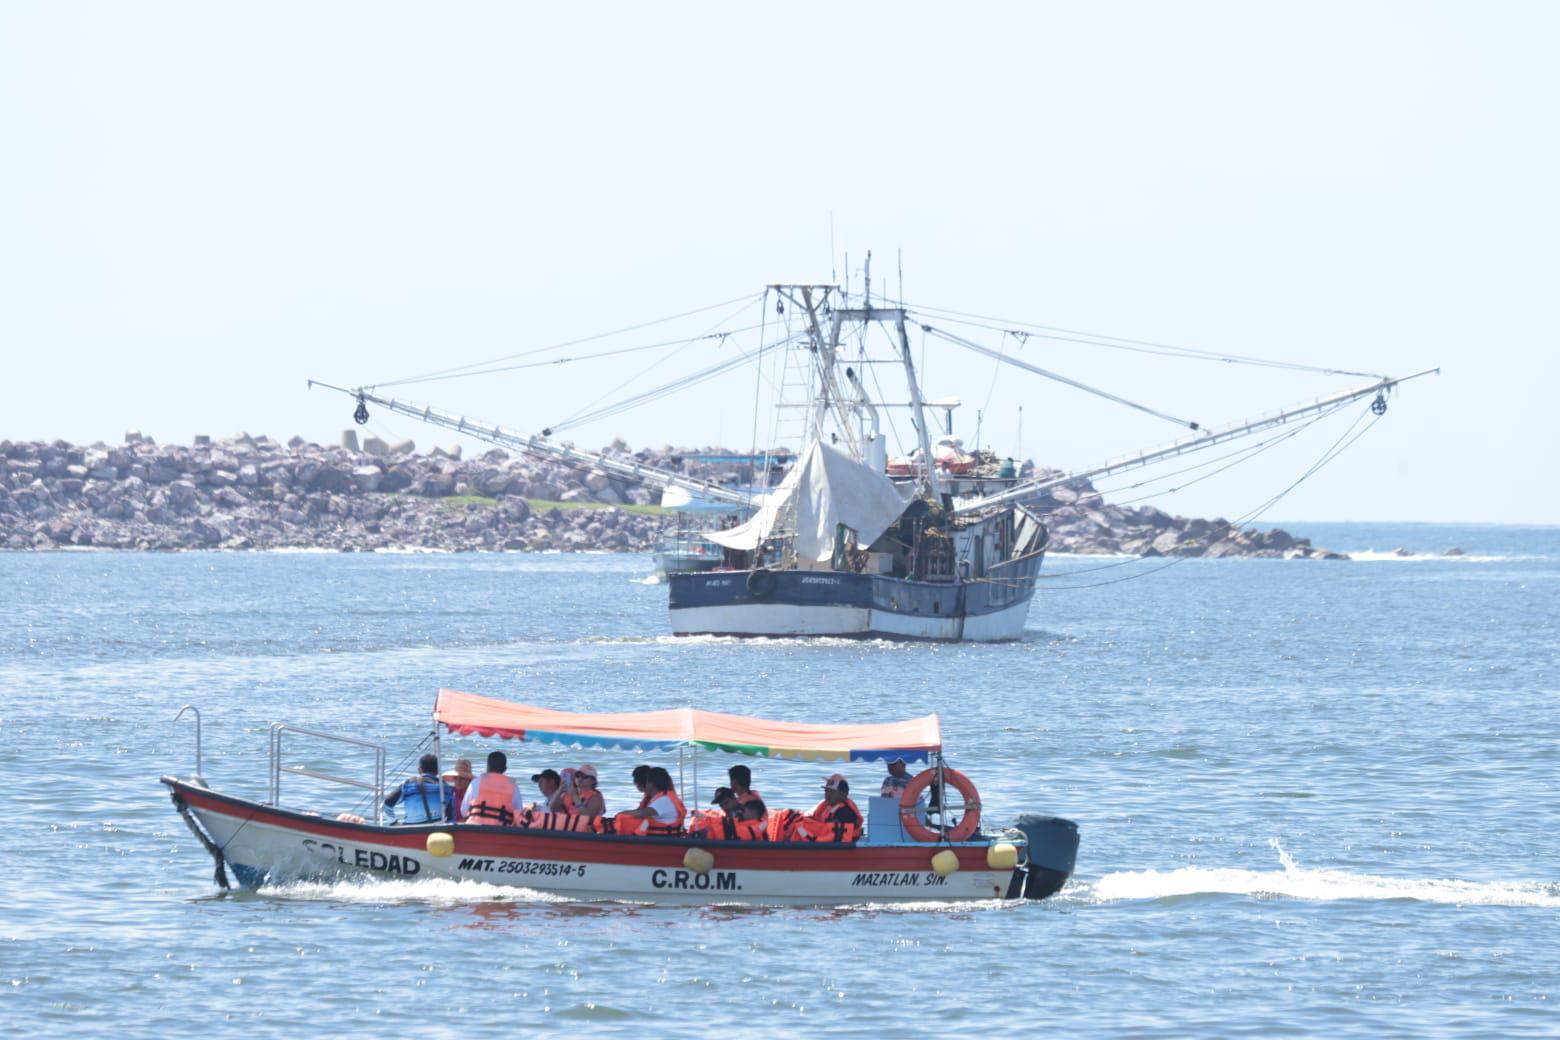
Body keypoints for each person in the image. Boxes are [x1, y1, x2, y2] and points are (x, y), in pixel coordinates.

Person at [384, 753, 456, 824]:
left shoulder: (408, 784)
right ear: (438, 771)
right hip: (436, 830)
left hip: (411, 829)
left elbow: (387, 804)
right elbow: (451, 816)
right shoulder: (446, 788)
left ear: (419, 770)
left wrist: (394, 822)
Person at [614, 766, 686, 835]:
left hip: (661, 841)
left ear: (651, 784)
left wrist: (620, 814)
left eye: (647, 782)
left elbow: (642, 813)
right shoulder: (662, 798)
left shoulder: (664, 800)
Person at [792, 773, 862, 842]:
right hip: (819, 841)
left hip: (840, 848)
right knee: (792, 817)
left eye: (831, 792)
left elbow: (830, 835)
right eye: (826, 791)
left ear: (843, 794)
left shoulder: (846, 811)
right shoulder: (825, 805)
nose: (827, 795)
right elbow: (808, 816)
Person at [463, 750, 520, 826]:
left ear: (487, 766)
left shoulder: (476, 782)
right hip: (502, 830)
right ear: (505, 769)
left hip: (476, 828)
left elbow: (463, 811)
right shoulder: (513, 785)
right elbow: (519, 812)